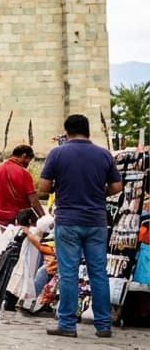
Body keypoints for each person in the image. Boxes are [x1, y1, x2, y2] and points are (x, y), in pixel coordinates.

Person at [36, 114, 122, 338]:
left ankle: (67, 324)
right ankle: (103, 325)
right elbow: (116, 186)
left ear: (67, 132)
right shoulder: (104, 154)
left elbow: (44, 186)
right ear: (88, 131)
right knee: (98, 274)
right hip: (96, 222)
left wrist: (61, 186)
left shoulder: (58, 153)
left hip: (68, 221)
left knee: (68, 273)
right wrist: (98, 193)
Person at [0, 145, 45, 225]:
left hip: (1, 219)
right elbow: (33, 200)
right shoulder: (24, 173)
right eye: (29, 160)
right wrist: (43, 217)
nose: (28, 164)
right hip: (20, 219)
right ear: (24, 156)